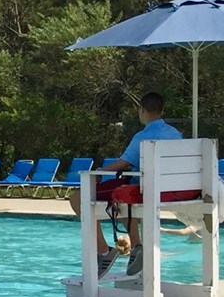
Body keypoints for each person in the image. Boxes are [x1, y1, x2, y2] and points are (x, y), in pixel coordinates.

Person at [68, 91, 181, 277]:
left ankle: (104, 251)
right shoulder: (176, 135)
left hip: (145, 190)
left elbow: (123, 164)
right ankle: (136, 246)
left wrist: (97, 172)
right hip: (172, 190)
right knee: (121, 197)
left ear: (142, 110)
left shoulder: (143, 136)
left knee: (78, 198)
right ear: (162, 111)